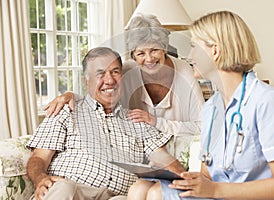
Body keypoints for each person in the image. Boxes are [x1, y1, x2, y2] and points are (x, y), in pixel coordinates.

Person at [127, 10, 274, 200]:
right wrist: (185, 178)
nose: (189, 56)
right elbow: (208, 175)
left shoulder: (266, 102)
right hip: (219, 194)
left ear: (214, 51)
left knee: (157, 194)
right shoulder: (212, 107)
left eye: (193, 47)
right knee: (140, 188)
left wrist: (215, 190)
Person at [44, 13, 205, 169]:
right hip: (138, 156)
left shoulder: (185, 74)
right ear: (133, 55)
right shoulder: (126, 70)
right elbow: (99, 97)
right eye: (141, 53)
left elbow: (203, 126)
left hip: (173, 154)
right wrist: (71, 96)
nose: (149, 59)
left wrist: (157, 122)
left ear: (164, 47)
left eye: (154, 50)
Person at [26, 47, 185, 200]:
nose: (109, 80)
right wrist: (40, 178)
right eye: (100, 73)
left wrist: (183, 178)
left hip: (116, 196)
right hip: (72, 191)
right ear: (86, 81)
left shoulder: (138, 121)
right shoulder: (65, 110)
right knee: (63, 188)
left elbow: (162, 157)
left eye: (115, 72)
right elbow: (39, 158)